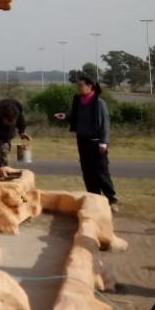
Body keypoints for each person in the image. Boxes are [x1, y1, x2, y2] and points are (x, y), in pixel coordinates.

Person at [54, 75, 118, 209]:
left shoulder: (99, 103)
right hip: (82, 140)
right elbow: (74, 114)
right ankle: (94, 197)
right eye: (78, 85)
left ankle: (111, 199)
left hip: (96, 141)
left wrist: (104, 142)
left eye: (81, 85)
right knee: (87, 170)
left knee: (101, 170)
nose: (79, 88)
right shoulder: (79, 101)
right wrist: (65, 116)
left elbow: (105, 124)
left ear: (90, 86)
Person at [0, 97, 31, 179]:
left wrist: (22, 131)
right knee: (2, 152)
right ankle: (3, 175)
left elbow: (20, 119)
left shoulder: (17, 107)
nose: (9, 123)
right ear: (2, 116)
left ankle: (4, 169)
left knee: (6, 151)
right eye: (8, 121)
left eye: (12, 121)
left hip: (8, 135)